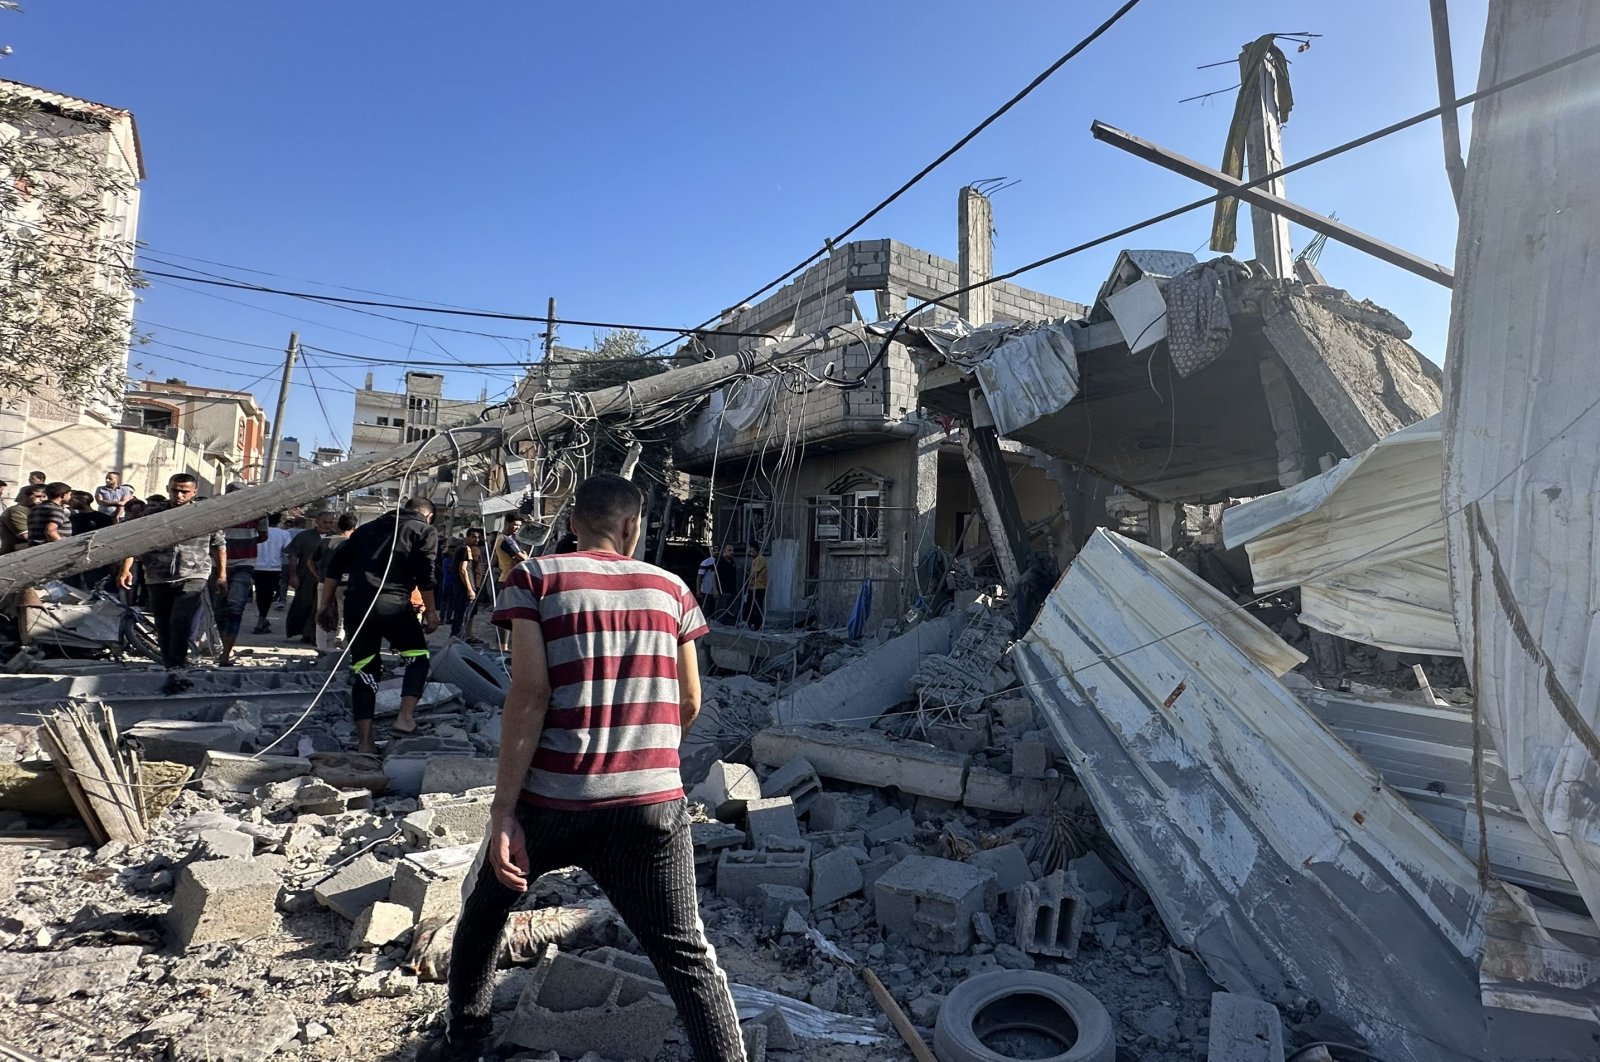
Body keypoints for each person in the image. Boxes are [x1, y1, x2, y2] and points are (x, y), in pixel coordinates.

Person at [420, 474, 744, 1062]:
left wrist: (503, 810)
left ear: (573, 524)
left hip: (552, 801)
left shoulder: (537, 579)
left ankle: (463, 1041)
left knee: (486, 910)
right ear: (632, 527)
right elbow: (690, 701)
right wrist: (646, 762)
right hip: (652, 806)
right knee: (686, 954)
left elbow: (530, 696)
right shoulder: (672, 588)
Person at [319, 498, 439, 753]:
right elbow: (425, 575)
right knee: (417, 658)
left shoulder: (366, 529)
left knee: (365, 668)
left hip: (357, 606)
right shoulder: (424, 530)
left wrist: (325, 605)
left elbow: (335, 566)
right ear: (428, 516)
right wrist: (431, 612)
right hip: (393, 604)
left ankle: (365, 742)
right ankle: (405, 718)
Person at [117, 474, 226, 694]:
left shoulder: (205, 515)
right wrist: (125, 569)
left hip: (194, 574)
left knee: (180, 621)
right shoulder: (152, 514)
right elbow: (133, 541)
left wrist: (222, 574)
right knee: (164, 625)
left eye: (185, 491)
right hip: (158, 575)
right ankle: (171, 666)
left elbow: (219, 545)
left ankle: (178, 667)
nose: (179, 495)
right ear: (168, 489)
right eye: (175, 490)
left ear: (194, 492)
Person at [216, 483, 269, 666]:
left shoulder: (258, 511)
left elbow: (263, 536)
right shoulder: (218, 510)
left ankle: (226, 652)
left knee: (235, 607)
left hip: (244, 564)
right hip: (218, 564)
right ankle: (223, 646)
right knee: (219, 609)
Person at [285, 511, 335, 643]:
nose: (328, 525)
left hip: (327, 578)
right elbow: (293, 555)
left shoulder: (335, 538)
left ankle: (314, 634)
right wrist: (293, 575)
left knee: (320, 606)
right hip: (305, 577)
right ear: (317, 521)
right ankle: (305, 632)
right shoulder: (304, 536)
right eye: (325, 522)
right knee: (304, 604)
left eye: (330, 522)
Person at [312, 512, 358, 652]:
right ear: (354, 527)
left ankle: (321, 646)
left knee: (322, 611)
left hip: (324, 582)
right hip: (346, 582)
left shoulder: (326, 540)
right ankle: (339, 640)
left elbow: (310, 561)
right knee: (345, 613)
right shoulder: (354, 543)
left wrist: (318, 575)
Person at [252, 513, 294, 634]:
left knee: (260, 594)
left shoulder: (256, 532)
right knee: (268, 594)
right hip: (273, 568)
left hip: (256, 566)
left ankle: (262, 618)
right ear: (280, 520)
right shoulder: (283, 534)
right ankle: (261, 620)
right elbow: (288, 551)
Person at [490, 514, 526, 651]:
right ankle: (502, 647)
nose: (517, 528)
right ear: (507, 523)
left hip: (508, 578)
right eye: (515, 524)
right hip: (507, 579)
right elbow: (523, 558)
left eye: (519, 526)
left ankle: (504, 646)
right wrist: (522, 555)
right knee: (505, 615)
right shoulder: (506, 540)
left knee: (508, 614)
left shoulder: (510, 539)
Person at [450, 527, 491, 642]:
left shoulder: (473, 550)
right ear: (467, 537)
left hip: (472, 586)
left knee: (469, 614)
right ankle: (457, 639)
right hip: (464, 589)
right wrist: (469, 589)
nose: (476, 539)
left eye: (478, 537)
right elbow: (463, 570)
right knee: (462, 615)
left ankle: (467, 636)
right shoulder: (465, 549)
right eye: (473, 537)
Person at [1, 484, 44, 555]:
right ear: (25, 496)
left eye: (44, 496)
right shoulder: (16, 511)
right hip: (15, 554)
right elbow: (25, 535)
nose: (42, 499)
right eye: (38, 496)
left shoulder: (35, 510)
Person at [27, 482, 72, 546]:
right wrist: (62, 547)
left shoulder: (35, 508)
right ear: (63, 495)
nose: (70, 497)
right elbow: (50, 532)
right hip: (49, 549)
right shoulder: (56, 509)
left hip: (35, 548)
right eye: (69, 494)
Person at [743, 545, 767, 631]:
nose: (750, 553)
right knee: (749, 605)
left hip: (759, 586)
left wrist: (748, 576)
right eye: (750, 551)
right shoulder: (754, 559)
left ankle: (757, 625)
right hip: (752, 587)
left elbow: (755, 573)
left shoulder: (760, 559)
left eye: (752, 551)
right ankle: (750, 623)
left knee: (757, 606)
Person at [712, 543, 736, 623]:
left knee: (731, 612)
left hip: (732, 591)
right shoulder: (719, 562)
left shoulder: (733, 563)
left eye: (733, 550)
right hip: (722, 591)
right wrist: (715, 590)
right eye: (729, 550)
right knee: (720, 612)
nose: (732, 552)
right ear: (724, 551)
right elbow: (714, 576)